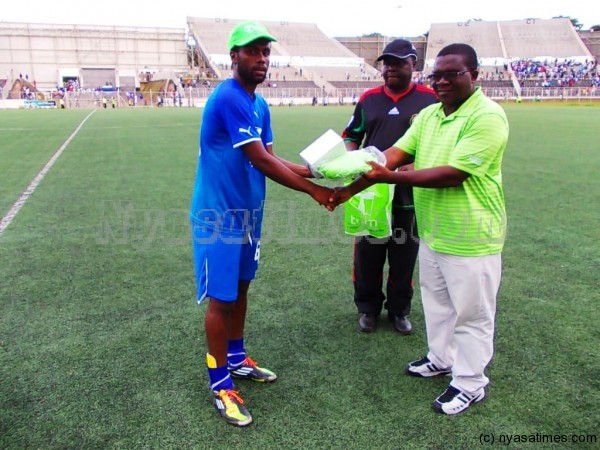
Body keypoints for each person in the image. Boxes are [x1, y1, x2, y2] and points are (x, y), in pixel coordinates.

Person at [331, 43, 509, 415]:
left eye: (452, 74)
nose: (442, 81)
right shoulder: (429, 116)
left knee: (472, 315)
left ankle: (470, 382)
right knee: (439, 305)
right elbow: (389, 155)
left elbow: (454, 174)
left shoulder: (487, 116)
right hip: (435, 232)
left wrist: (387, 174)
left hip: (472, 236)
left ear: (474, 76)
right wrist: (342, 183)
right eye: (437, 75)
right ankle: (441, 359)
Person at [189, 21, 334, 427]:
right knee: (221, 298)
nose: (261, 59)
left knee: (241, 287)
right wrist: (315, 192)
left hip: (249, 215)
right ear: (234, 56)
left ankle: (236, 358)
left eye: (266, 52)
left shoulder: (259, 104)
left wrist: (309, 171)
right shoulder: (230, 97)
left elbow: (271, 155)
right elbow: (261, 161)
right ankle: (220, 384)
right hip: (218, 216)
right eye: (252, 51)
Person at [341, 39, 437, 334]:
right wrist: (352, 158)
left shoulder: (431, 100)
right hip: (372, 191)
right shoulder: (369, 99)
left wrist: (418, 164)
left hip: (410, 191)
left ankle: (399, 310)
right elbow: (351, 135)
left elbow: (437, 141)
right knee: (368, 252)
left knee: (404, 252)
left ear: (413, 64)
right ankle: (367, 308)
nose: (390, 68)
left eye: (397, 63)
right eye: (386, 63)